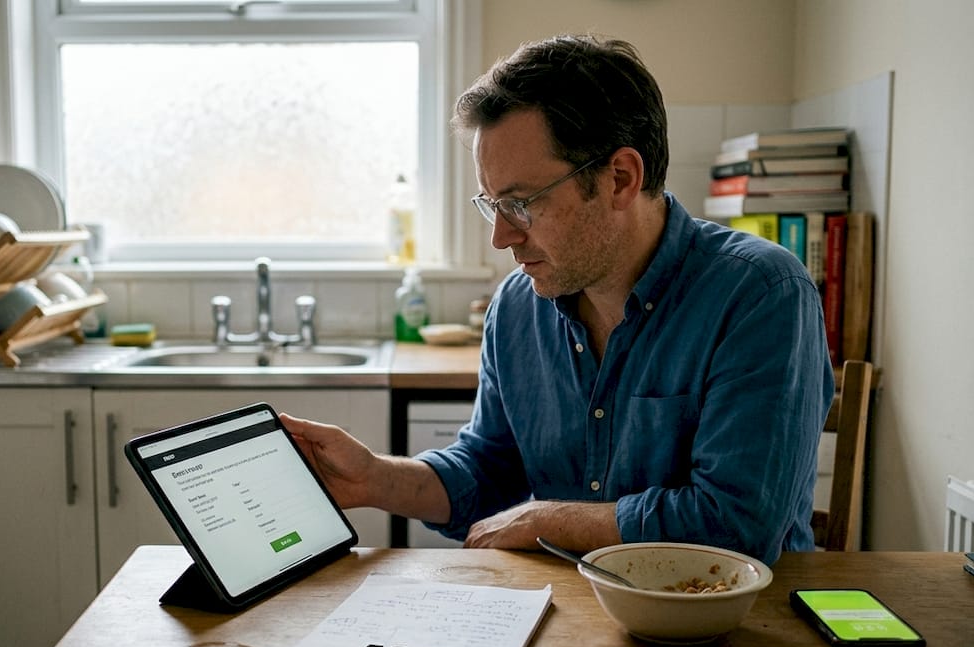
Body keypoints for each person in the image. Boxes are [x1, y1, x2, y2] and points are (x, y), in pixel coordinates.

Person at [281, 34, 834, 566]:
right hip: (564, 617)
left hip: (738, 635)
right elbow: (489, 471)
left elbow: (735, 525)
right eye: (491, 203)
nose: (501, 237)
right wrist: (375, 477)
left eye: (521, 203)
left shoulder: (761, 295)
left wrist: (545, 520)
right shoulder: (518, 306)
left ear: (619, 177)